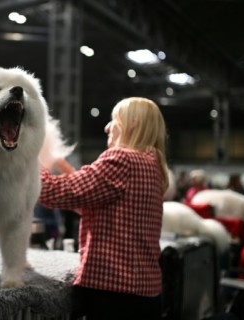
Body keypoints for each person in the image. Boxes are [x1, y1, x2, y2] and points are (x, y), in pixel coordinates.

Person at [39, 97, 168, 320]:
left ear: (133, 123)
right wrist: (61, 165)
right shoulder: (152, 165)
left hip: (114, 296)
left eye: (114, 119)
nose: (107, 126)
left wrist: (29, 161)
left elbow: (54, 191)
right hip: (144, 294)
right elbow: (93, 201)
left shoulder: (121, 159)